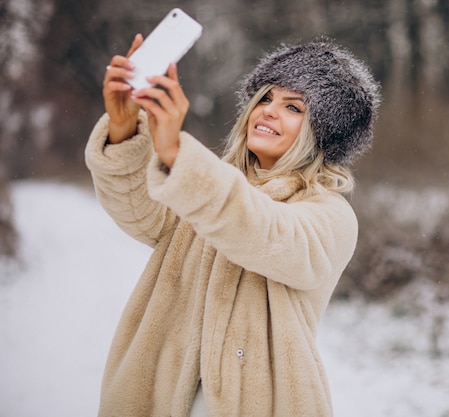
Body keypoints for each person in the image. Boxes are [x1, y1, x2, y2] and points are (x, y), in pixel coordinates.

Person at [85, 33, 380, 417]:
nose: (269, 111)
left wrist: (176, 150)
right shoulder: (207, 184)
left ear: (323, 132)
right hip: (159, 394)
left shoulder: (329, 213)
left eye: (293, 107)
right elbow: (141, 211)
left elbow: (267, 234)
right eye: (266, 98)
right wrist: (124, 129)